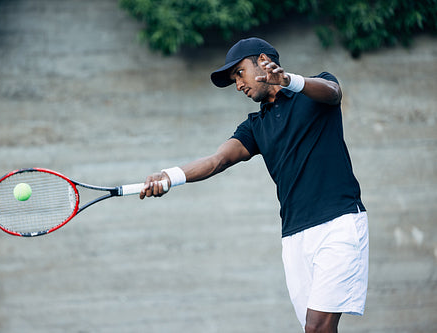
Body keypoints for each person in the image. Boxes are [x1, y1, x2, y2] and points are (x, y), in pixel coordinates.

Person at [139, 37, 369, 332]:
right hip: (294, 236)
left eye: (239, 73)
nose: (238, 85)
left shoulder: (313, 90)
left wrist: (289, 80)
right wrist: (168, 176)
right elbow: (216, 160)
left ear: (262, 62)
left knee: (318, 327)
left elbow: (334, 93)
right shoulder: (255, 127)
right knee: (313, 330)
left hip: (339, 222)